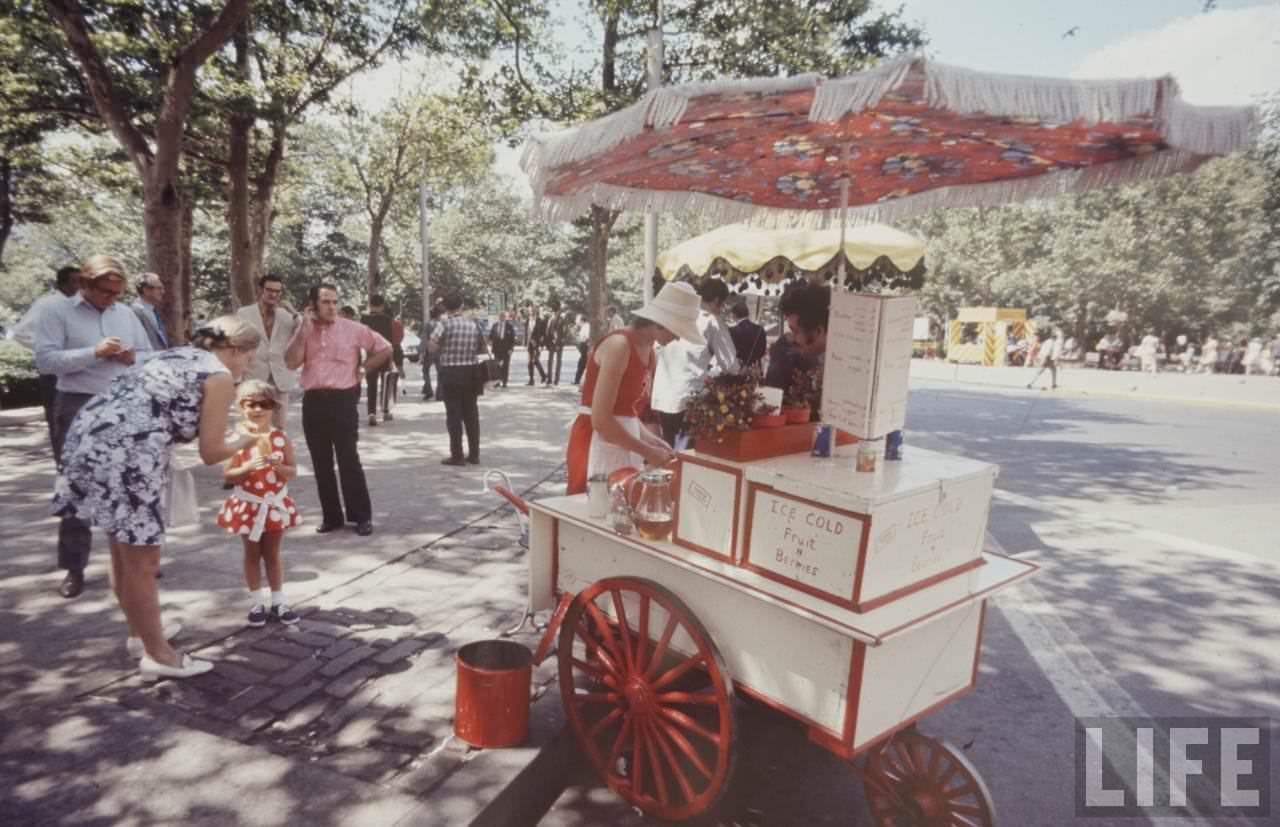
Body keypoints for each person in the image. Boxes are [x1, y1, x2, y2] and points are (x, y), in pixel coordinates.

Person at [51, 316, 261, 679]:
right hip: (130, 453)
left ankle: (140, 636)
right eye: (249, 358)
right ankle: (159, 655)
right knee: (143, 560)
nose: (247, 367)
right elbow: (212, 452)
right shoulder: (219, 375)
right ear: (237, 350)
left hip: (89, 439)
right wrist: (248, 437)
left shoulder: (178, 355)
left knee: (121, 547)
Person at [34, 255, 152, 599]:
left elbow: (146, 354)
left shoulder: (125, 313)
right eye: (104, 292)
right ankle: (74, 567)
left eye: (116, 293)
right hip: (76, 403)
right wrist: (94, 353)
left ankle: (137, 559)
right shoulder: (57, 311)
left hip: (120, 403)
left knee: (130, 482)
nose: (110, 299)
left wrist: (133, 358)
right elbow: (45, 360)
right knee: (77, 486)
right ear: (85, 285)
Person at [566, 282, 705, 495]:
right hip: (594, 440)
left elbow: (626, 413)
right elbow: (601, 420)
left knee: (622, 506)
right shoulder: (619, 346)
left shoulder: (650, 352)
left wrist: (655, 442)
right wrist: (648, 451)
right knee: (592, 507)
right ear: (661, 322)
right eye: (677, 331)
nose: (677, 337)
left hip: (621, 440)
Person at [285, 284, 390, 537]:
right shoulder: (304, 330)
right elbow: (290, 362)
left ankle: (361, 517)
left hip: (343, 400)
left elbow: (385, 347)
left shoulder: (353, 329)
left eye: (334, 301)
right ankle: (331, 516)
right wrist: (302, 331)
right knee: (321, 462)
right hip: (314, 402)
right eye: (325, 302)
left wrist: (365, 367)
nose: (332, 307)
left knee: (348, 459)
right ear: (312, 306)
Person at [218, 380, 302, 628]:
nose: (257, 409)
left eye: (263, 404)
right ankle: (257, 601)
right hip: (250, 506)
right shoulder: (237, 439)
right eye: (250, 404)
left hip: (273, 506)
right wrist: (245, 468)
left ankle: (278, 601)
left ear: (273, 408)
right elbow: (228, 475)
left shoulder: (280, 438)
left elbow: (293, 470)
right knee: (252, 554)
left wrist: (280, 467)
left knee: (273, 555)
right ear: (241, 407)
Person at [651, 279, 740, 447]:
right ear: (715, 301)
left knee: (667, 451)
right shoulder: (711, 321)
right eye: (722, 305)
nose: (721, 310)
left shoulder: (677, 314)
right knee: (686, 457)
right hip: (689, 400)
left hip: (662, 397)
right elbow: (730, 365)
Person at [11, 264, 81, 443]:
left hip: (74, 370)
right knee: (57, 420)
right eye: (75, 282)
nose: (79, 286)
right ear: (62, 284)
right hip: (53, 373)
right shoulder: (47, 304)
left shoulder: (78, 305)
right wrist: (46, 349)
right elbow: (19, 332)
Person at [429, 293, 488, 466]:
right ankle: (474, 454)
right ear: (461, 306)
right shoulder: (473, 324)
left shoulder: (444, 324)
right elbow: (482, 347)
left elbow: (432, 346)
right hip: (472, 373)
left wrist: (444, 347)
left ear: (446, 309)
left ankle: (457, 455)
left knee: (453, 415)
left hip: (451, 373)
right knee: (471, 414)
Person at [235, 273, 300, 426]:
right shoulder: (244, 313)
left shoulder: (287, 315)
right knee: (252, 426)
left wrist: (293, 311)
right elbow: (237, 345)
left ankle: (276, 450)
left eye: (277, 291)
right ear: (260, 290)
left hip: (280, 379)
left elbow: (304, 330)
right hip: (253, 376)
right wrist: (237, 379)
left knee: (279, 427)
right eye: (269, 290)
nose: (273, 294)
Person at [361, 295, 397, 426]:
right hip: (385, 355)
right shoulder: (387, 320)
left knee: (371, 385)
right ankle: (386, 411)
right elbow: (391, 341)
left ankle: (372, 413)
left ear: (370, 305)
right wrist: (392, 360)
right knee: (385, 384)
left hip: (370, 356)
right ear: (382, 306)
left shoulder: (364, 319)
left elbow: (361, 339)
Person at [130, 272, 171, 352]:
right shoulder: (135, 312)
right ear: (146, 291)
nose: (163, 292)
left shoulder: (152, 310)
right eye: (159, 288)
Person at [728, 300, 767, 369]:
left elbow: (730, 352)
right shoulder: (760, 329)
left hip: (739, 370)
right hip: (755, 370)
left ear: (734, 314)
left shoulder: (732, 331)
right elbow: (763, 351)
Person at [422, 304, 444, 399]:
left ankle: (428, 390)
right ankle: (440, 393)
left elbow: (425, 339)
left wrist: (422, 351)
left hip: (429, 351)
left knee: (425, 371)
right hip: (440, 351)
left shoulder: (428, 324)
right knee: (440, 372)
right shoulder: (443, 324)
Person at [489, 310, 516, 388]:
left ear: (505, 317)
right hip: (497, 349)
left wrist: (511, 349)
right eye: (500, 316)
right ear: (498, 317)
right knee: (497, 366)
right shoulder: (495, 325)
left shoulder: (509, 326)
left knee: (505, 365)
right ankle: (497, 382)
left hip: (506, 349)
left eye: (503, 316)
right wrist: (490, 342)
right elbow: (491, 336)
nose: (502, 317)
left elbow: (512, 339)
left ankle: (504, 381)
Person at [525, 304, 548, 385]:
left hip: (537, 344)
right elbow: (526, 333)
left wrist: (541, 345)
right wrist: (525, 343)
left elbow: (543, 334)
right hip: (529, 344)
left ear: (535, 311)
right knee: (529, 362)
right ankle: (531, 380)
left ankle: (544, 376)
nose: (531, 312)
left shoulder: (540, 321)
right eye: (530, 310)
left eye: (532, 310)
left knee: (535, 361)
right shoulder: (527, 320)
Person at [545, 300, 566, 385]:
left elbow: (564, 332)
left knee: (558, 362)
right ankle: (549, 378)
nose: (556, 312)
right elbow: (548, 331)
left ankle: (556, 379)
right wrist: (547, 342)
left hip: (559, 343)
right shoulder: (550, 318)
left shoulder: (562, 319)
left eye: (557, 310)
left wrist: (559, 343)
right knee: (550, 361)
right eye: (555, 311)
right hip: (551, 343)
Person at [572, 313, 591, 385]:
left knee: (581, 364)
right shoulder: (584, 327)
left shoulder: (586, 326)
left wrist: (579, 339)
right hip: (583, 349)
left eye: (577, 320)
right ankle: (578, 380)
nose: (576, 321)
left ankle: (578, 380)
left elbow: (586, 338)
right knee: (581, 364)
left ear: (581, 320)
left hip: (585, 348)